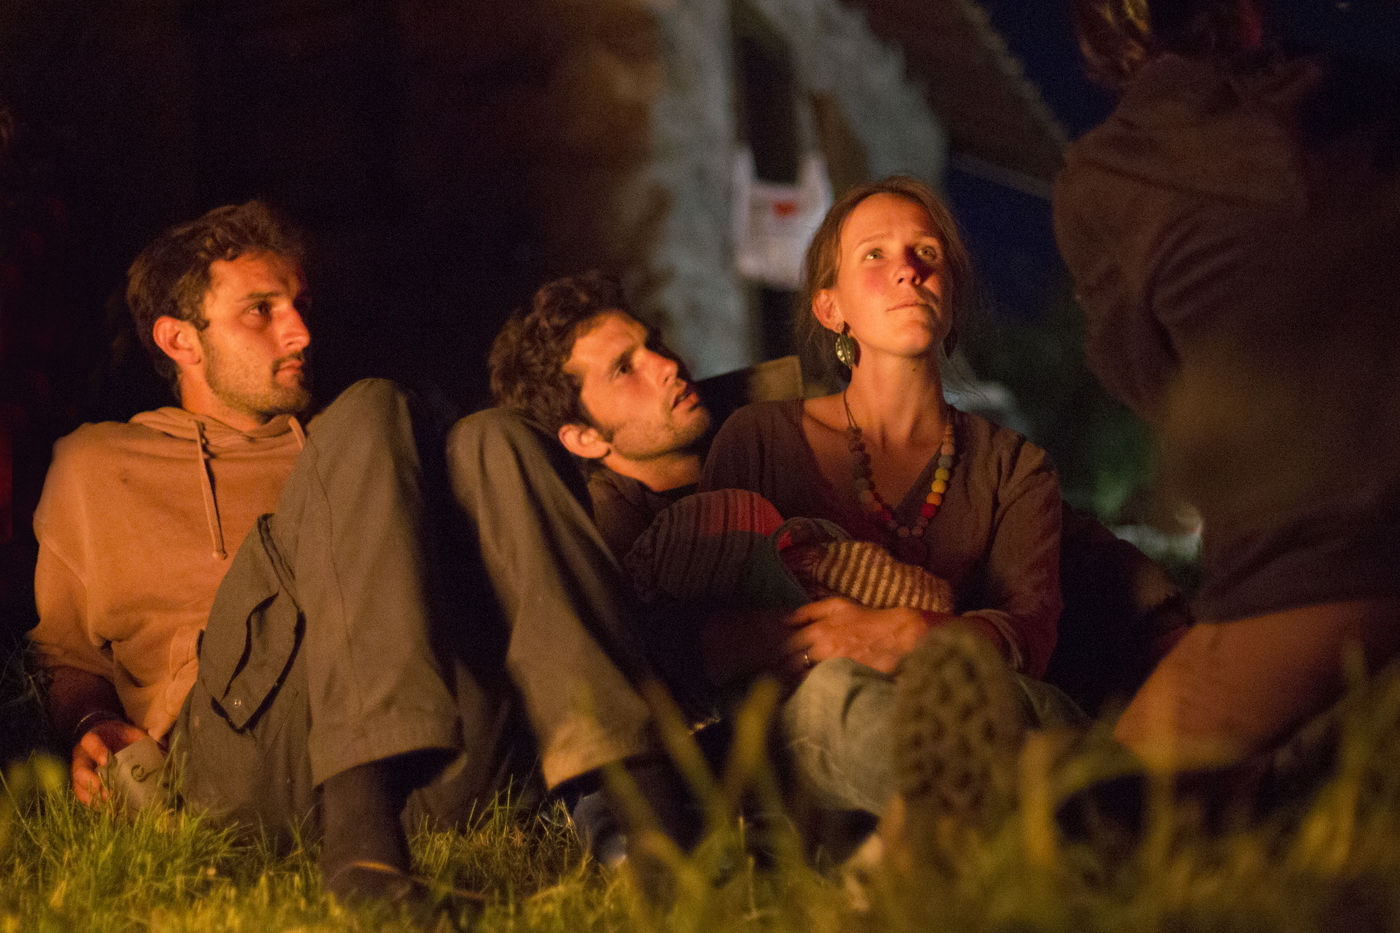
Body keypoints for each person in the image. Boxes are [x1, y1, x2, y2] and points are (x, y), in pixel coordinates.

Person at [30, 202, 694, 907]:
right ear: (179, 339)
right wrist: (91, 723)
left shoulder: (361, 447)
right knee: (371, 406)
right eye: (261, 310)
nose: (300, 331)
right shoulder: (96, 465)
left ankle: (643, 819)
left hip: (433, 765)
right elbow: (67, 656)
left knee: (493, 437)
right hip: (243, 768)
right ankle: (365, 861)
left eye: (301, 305)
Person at [1056, 0, 1400, 773]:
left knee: (1108, 798)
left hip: (1311, 567)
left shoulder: (1111, 173)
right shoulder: (1372, 100)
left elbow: (1168, 398)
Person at [699, 176, 1074, 834]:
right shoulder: (758, 438)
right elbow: (698, 632)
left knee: (1041, 707)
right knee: (834, 697)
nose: (907, 269)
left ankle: (1060, 814)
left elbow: (1028, 638)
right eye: (874, 253)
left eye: (926, 253)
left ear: (951, 300)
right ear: (830, 308)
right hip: (808, 734)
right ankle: (1040, 825)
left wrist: (909, 634)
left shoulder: (1015, 467)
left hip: (957, 702)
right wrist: (820, 640)